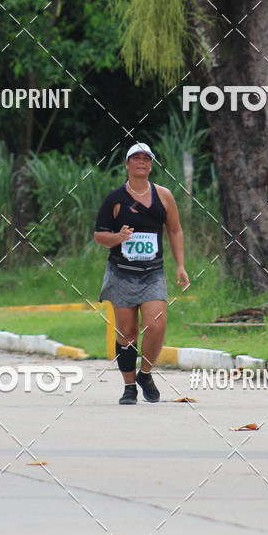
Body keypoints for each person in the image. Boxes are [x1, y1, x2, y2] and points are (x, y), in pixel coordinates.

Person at [94, 142, 190, 404]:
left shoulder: (164, 196)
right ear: (127, 164)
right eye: (136, 158)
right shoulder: (115, 199)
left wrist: (180, 265)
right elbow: (99, 235)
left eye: (146, 158)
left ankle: (145, 374)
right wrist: (118, 237)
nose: (141, 162)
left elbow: (175, 230)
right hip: (121, 273)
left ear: (151, 164)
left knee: (157, 325)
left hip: (152, 273)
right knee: (127, 333)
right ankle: (129, 388)